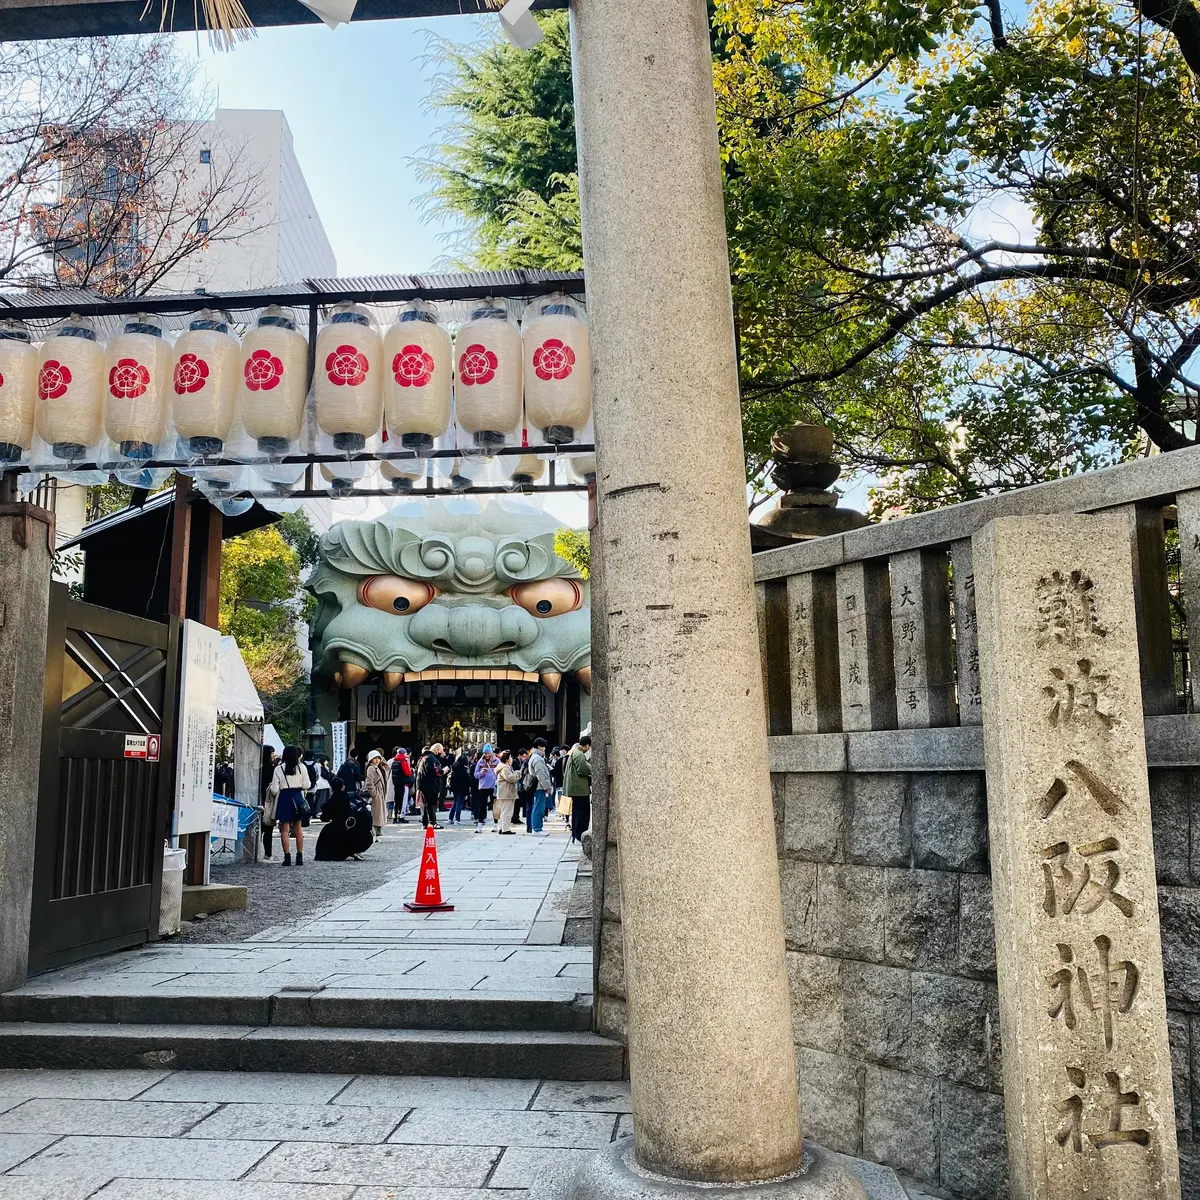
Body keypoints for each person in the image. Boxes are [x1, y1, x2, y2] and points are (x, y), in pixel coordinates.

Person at [267, 745, 312, 866]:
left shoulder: (278, 769)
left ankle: (287, 857)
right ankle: (299, 856)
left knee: (284, 830)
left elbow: (274, 789)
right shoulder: (301, 767)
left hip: (284, 798)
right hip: (297, 797)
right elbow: (307, 784)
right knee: (298, 829)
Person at [315, 777, 375, 861]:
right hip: (353, 829)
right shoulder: (352, 797)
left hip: (336, 830)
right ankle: (354, 850)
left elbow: (324, 818)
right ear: (343, 787)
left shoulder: (330, 802)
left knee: (326, 834)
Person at [565, 735, 593, 844]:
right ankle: (579, 835)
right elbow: (583, 769)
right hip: (579, 788)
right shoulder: (579, 754)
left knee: (577, 811)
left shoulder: (575, 752)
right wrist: (591, 767)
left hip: (576, 788)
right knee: (582, 812)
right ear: (586, 745)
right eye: (589, 747)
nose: (589, 749)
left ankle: (576, 834)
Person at [524, 737, 553, 836]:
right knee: (538, 808)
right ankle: (537, 828)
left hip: (538, 786)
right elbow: (541, 774)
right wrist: (547, 786)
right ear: (539, 746)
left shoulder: (535, 756)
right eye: (543, 746)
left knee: (537, 807)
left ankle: (536, 827)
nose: (544, 748)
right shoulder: (537, 758)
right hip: (539, 786)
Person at [416, 742, 447, 829]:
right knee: (431, 804)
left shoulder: (423, 757)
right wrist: (444, 770)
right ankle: (432, 822)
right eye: (441, 750)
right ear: (437, 750)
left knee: (424, 804)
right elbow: (435, 771)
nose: (442, 752)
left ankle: (425, 823)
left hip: (422, 784)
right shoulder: (431, 758)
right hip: (430, 785)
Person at [259, 745, 279, 859]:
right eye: (271, 753)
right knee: (268, 828)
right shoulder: (272, 769)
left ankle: (259, 853)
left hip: (261, 799)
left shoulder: (259, 769)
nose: (273, 755)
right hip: (268, 801)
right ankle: (268, 853)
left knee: (262, 828)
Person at [365, 748, 389, 840]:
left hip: (380, 793)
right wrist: (374, 793)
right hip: (377, 793)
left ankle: (377, 833)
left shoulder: (378, 767)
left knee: (378, 814)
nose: (377, 760)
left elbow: (387, 768)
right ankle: (373, 835)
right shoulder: (371, 768)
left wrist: (381, 759)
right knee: (375, 815)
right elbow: (369, 781)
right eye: (375, 758)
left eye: (378, 758)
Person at [494, 750, 520, 834]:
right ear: (506, 759)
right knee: (507, 811)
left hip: (505, 792)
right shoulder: (505, 768)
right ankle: (506, 829)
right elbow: (511, 778)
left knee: (504, 811)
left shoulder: (503, 767)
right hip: (507, 793)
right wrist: (518, 774)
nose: (511, 759)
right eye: (510, 757)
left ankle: (502, 827)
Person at [472, 745, 497, 830]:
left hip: (493, 786)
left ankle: (496, 824)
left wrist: (495, 772)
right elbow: (475, 775)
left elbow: (501, 772)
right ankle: (480, 824)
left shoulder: (496, 760)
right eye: (485, 753)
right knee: (482, 806)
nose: (487, 755)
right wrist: (482, 773)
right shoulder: (480, 762)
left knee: (495, 806)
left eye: (488, 753)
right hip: (483, 787)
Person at [449, 751, 473, 824]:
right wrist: (466, 792)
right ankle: (457, 819)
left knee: (455, 803)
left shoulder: (454, 768)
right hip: (461, 789)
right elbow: (465, 782)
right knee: (459, 804)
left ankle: (450, 818)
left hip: (455, 788)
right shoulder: (463, 770)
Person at [391, 747, 414, 822]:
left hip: (396, 783)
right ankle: (401, 816)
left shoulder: (394, 761)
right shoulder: (403, 761)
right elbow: (407, 773)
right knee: (403, 800)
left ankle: (395, 816)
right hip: (403, 783)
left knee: (396, 800)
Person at [309, 753, 333, 819]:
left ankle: (317, 812)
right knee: (320, 800)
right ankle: (317, 812)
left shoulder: (323, 767)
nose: (327, 762)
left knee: (320, 799)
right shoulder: (320, 767)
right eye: (326, 761)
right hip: (322, 785)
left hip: (322, 785)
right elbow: (325, 776)